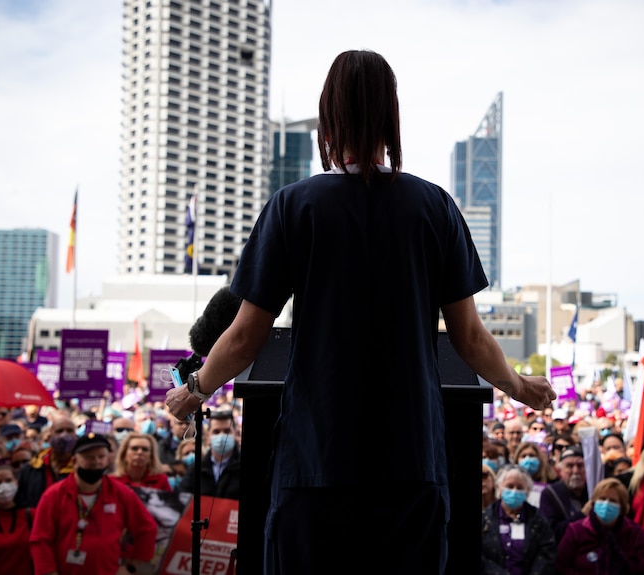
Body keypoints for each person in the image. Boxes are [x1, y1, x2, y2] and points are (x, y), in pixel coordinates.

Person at [165, 49, 556, 575]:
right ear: (392, 116)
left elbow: (242, 337)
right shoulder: (434, 207)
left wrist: (195, 392)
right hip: (412, 462)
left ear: (327, 117)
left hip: (315, 460)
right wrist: (519, 386)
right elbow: (471, 339)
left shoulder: (292, 206)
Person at [30, 433, 157, 575]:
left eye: (101, 457)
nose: (96, 462)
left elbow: (147, 528)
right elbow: (40, 539)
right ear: (75, 461)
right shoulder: (54, 495)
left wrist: (132, 566)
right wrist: (48, 571)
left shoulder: (121, 493)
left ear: (108, 459)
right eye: (88, 457)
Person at [556, 477, 644, 574]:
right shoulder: (576, 531)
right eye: (602, 499)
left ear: (621, 507)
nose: (606, 504)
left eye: (613, 501)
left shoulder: (635, 534)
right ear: (593, 503)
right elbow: (562, 566)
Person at [481, 465, 556, 575]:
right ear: (499, 488)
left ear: (527, 491)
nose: (514, 491)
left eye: (520, 487)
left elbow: (547, 553)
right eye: (510, 486)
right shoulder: (486, 518)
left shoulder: (538, 520)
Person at [15, 414, 77, 508]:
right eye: (59, 431)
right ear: (50, 435)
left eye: (69, 431)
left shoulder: (82, 467)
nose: (65, 435)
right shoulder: (32, 467)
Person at [178, 410, 241, 498]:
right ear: (208, 436)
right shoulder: (195, 469)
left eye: (227, 431)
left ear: (235, 434)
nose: (222, 436)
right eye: (216, 432)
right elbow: (183, 498)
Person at [539, 445, 588, 541]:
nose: (576, 471)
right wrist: (582, 514)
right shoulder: (550, 494)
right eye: (569, 466)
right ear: (560, 470)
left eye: (580, 466)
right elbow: (550, 532)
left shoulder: (592, 490)